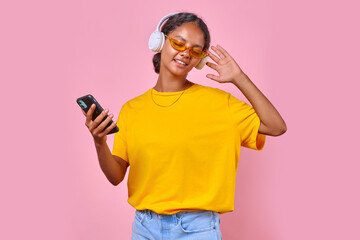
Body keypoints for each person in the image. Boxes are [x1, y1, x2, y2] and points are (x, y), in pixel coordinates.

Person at [81, 12, 286, 240]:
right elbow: (116, 176)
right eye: (178, 42)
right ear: (159, 41)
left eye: (195, 50)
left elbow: (276, 126)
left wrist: (239, 77)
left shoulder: (220, 103)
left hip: (197, 230)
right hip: (144, 227)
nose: (185, 53)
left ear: (199, 59)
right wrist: (99, 142)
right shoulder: (132, 109)